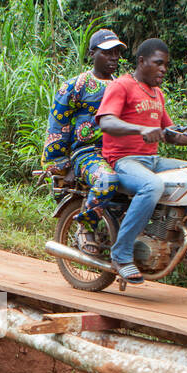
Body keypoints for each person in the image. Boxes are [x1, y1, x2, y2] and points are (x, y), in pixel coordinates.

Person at [96, 37, 187, 284]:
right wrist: (140, 130)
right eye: (158, 63)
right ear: (142, 61)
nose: (163, 69)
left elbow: (173, 136)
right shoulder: (122, 86)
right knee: (152, 186)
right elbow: (106, 121)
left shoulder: (157, 94)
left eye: (166, 65)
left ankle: (175, 237)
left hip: (152, 160)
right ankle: (121, 253)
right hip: (123, 161)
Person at [41, 28, 125, 254]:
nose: (114, 58)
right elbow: (57, 127)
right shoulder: (75, 86)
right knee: (107, 180)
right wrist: (61, 166)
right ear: (92, 54)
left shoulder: (124, 87)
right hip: (88, 153)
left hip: (119, 153)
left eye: (117, 52)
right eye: (107, 52)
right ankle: (85, 227)